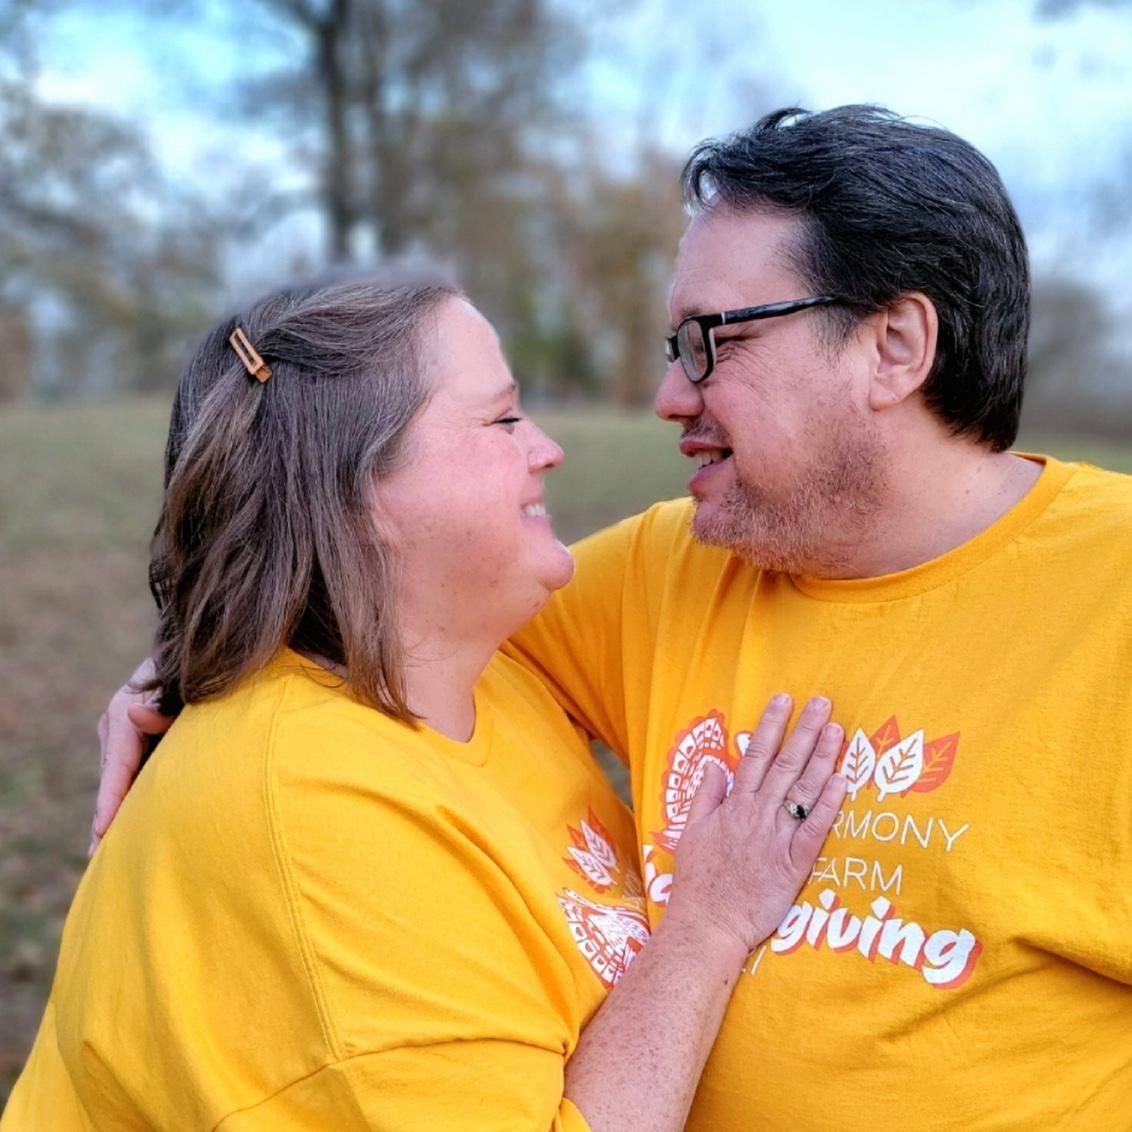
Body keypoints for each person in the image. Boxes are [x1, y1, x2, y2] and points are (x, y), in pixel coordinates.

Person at [92, 104, 1132, 1127]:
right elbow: (382, 608)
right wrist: (195, 673)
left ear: (894, 346)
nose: (669, 396)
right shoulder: (666, 569)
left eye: (708, 343)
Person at [3, 272, 846, 1130]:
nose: (546, 448)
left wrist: (179, 667)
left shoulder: (480, 671)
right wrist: (706, 927)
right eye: (502, 418)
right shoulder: (319, 820)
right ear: (358, 492)